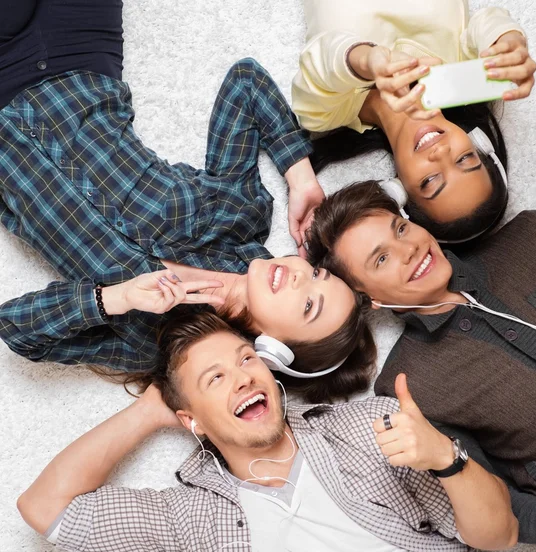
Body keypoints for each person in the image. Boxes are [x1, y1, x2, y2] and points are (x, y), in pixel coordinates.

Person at [0, 0, 375, 401]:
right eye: (317, 276)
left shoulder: (150, 341)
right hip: (76, 59)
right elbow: (245, 82)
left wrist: (116, 298)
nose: (301, 278)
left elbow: (18, 329)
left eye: (307, 308)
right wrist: (300, 177)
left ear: (274, 349)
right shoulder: (241, 213)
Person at [17, 312, 518, 552]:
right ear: (191, 421)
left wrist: (446, 460)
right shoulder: (191, 519)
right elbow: (45, 509)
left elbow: (501, 535)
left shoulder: (367, 429)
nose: (242, 377)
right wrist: (150, 409)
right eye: (215, 379)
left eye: (246, 360)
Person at [306, 180, 536, 552]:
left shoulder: (535, 233)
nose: (408, 250)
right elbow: (498, 506)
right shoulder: (408, 386)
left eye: (401, 229)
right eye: (381, 259)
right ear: (369, 299)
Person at [292, 0, 536, 242]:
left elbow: (320, 59)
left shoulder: (323, 115)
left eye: (430, 181)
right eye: (464, 159)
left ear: (399, 189)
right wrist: (507, 41)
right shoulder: (455, 72)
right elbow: (484, 24)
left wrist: (367, 61)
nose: (441, 153)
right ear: (477, 142)